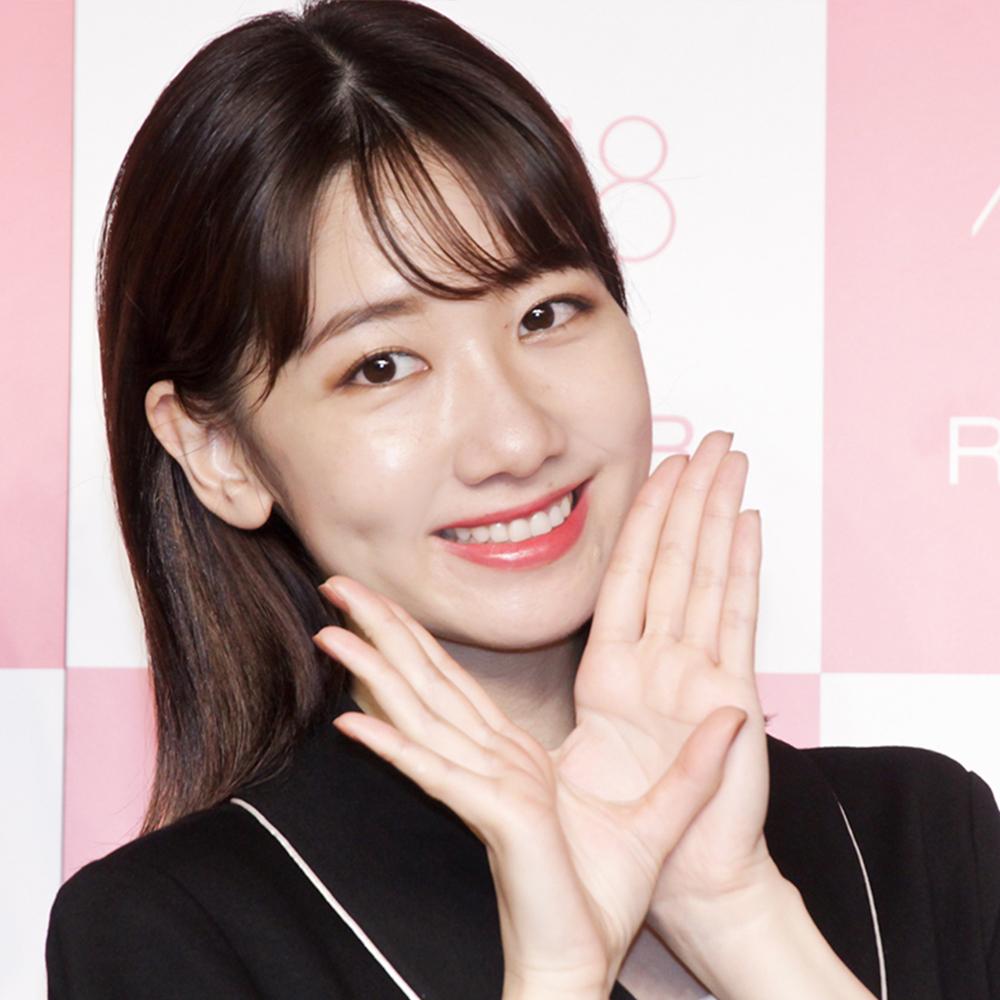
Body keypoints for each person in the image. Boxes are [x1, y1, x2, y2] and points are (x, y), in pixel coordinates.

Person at [46, 2, 1000, 998]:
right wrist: (555, 973)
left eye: (546, 313)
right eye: (382, 365)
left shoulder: (919, 838)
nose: (516, 439)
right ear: (219, 452)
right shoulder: (178, 932)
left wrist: (740, 917)